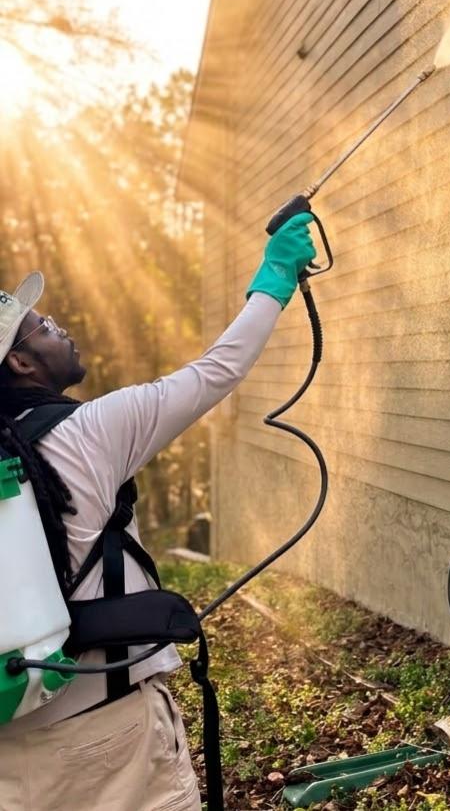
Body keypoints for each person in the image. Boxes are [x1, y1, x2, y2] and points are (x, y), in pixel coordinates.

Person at [0, 213, 317, 811]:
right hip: (106, 733)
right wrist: (275, 277)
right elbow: (215, 372)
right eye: (43, 326)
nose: (60, 328)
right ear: (20, 363)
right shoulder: (90, 431)